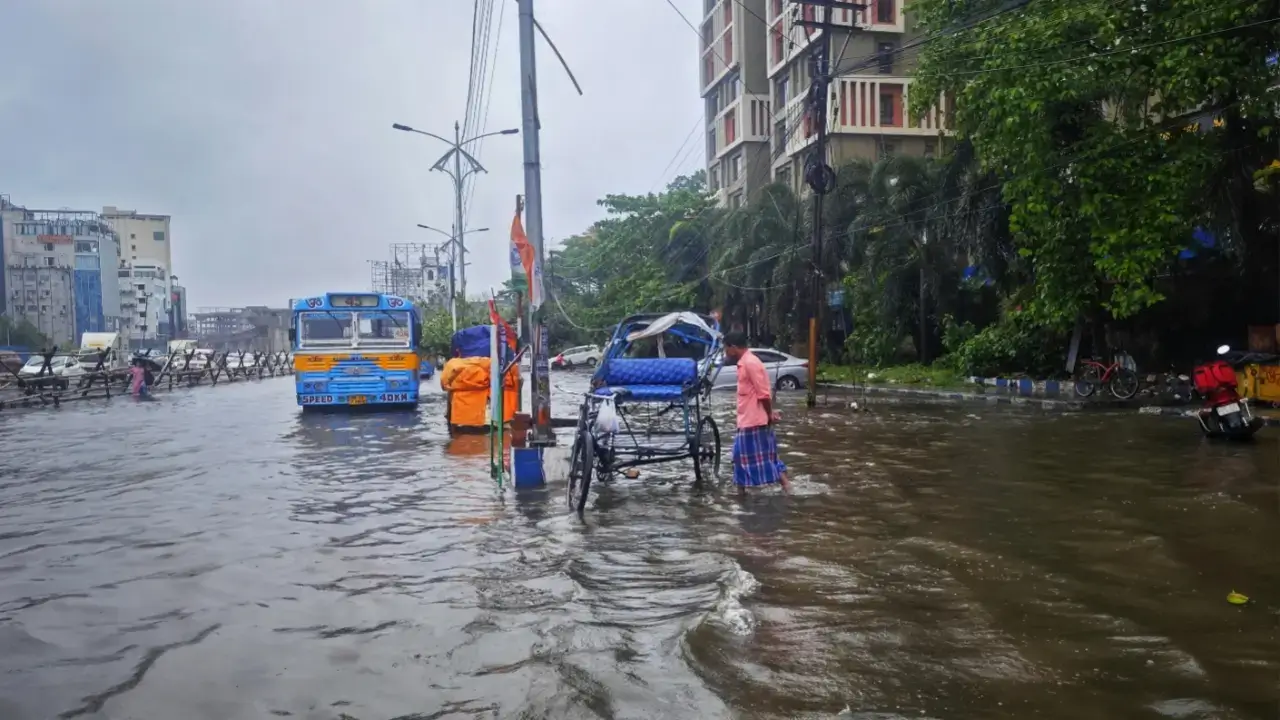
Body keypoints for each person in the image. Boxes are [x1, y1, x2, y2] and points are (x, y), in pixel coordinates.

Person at [724, 331, 791, 493]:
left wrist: (769, 414)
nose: (725, 353)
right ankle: (742, 494)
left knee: (751, 457)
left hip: (754, 422)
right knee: (749, 458)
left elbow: (763, 394)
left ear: (733, 348)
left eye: (725, 349)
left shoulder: (750, 363)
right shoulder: (744, 363)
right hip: (748, 420)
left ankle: (787, 487)